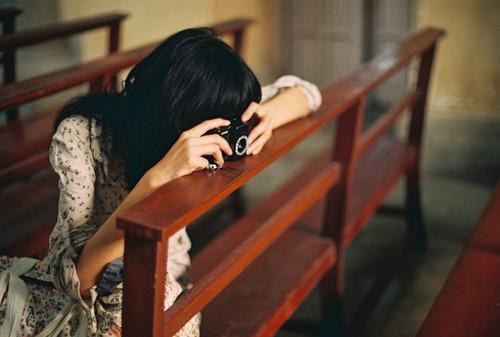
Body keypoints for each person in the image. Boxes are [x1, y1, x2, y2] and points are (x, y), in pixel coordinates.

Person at [0, 27, 321, 336]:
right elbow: (78, 279)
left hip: (165, 271)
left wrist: (268, 119)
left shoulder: (213, 115)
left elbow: (308, 93)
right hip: (92, 292)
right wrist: (157, 179)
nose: (224, 138)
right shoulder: (82, 135)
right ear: (174, 118)